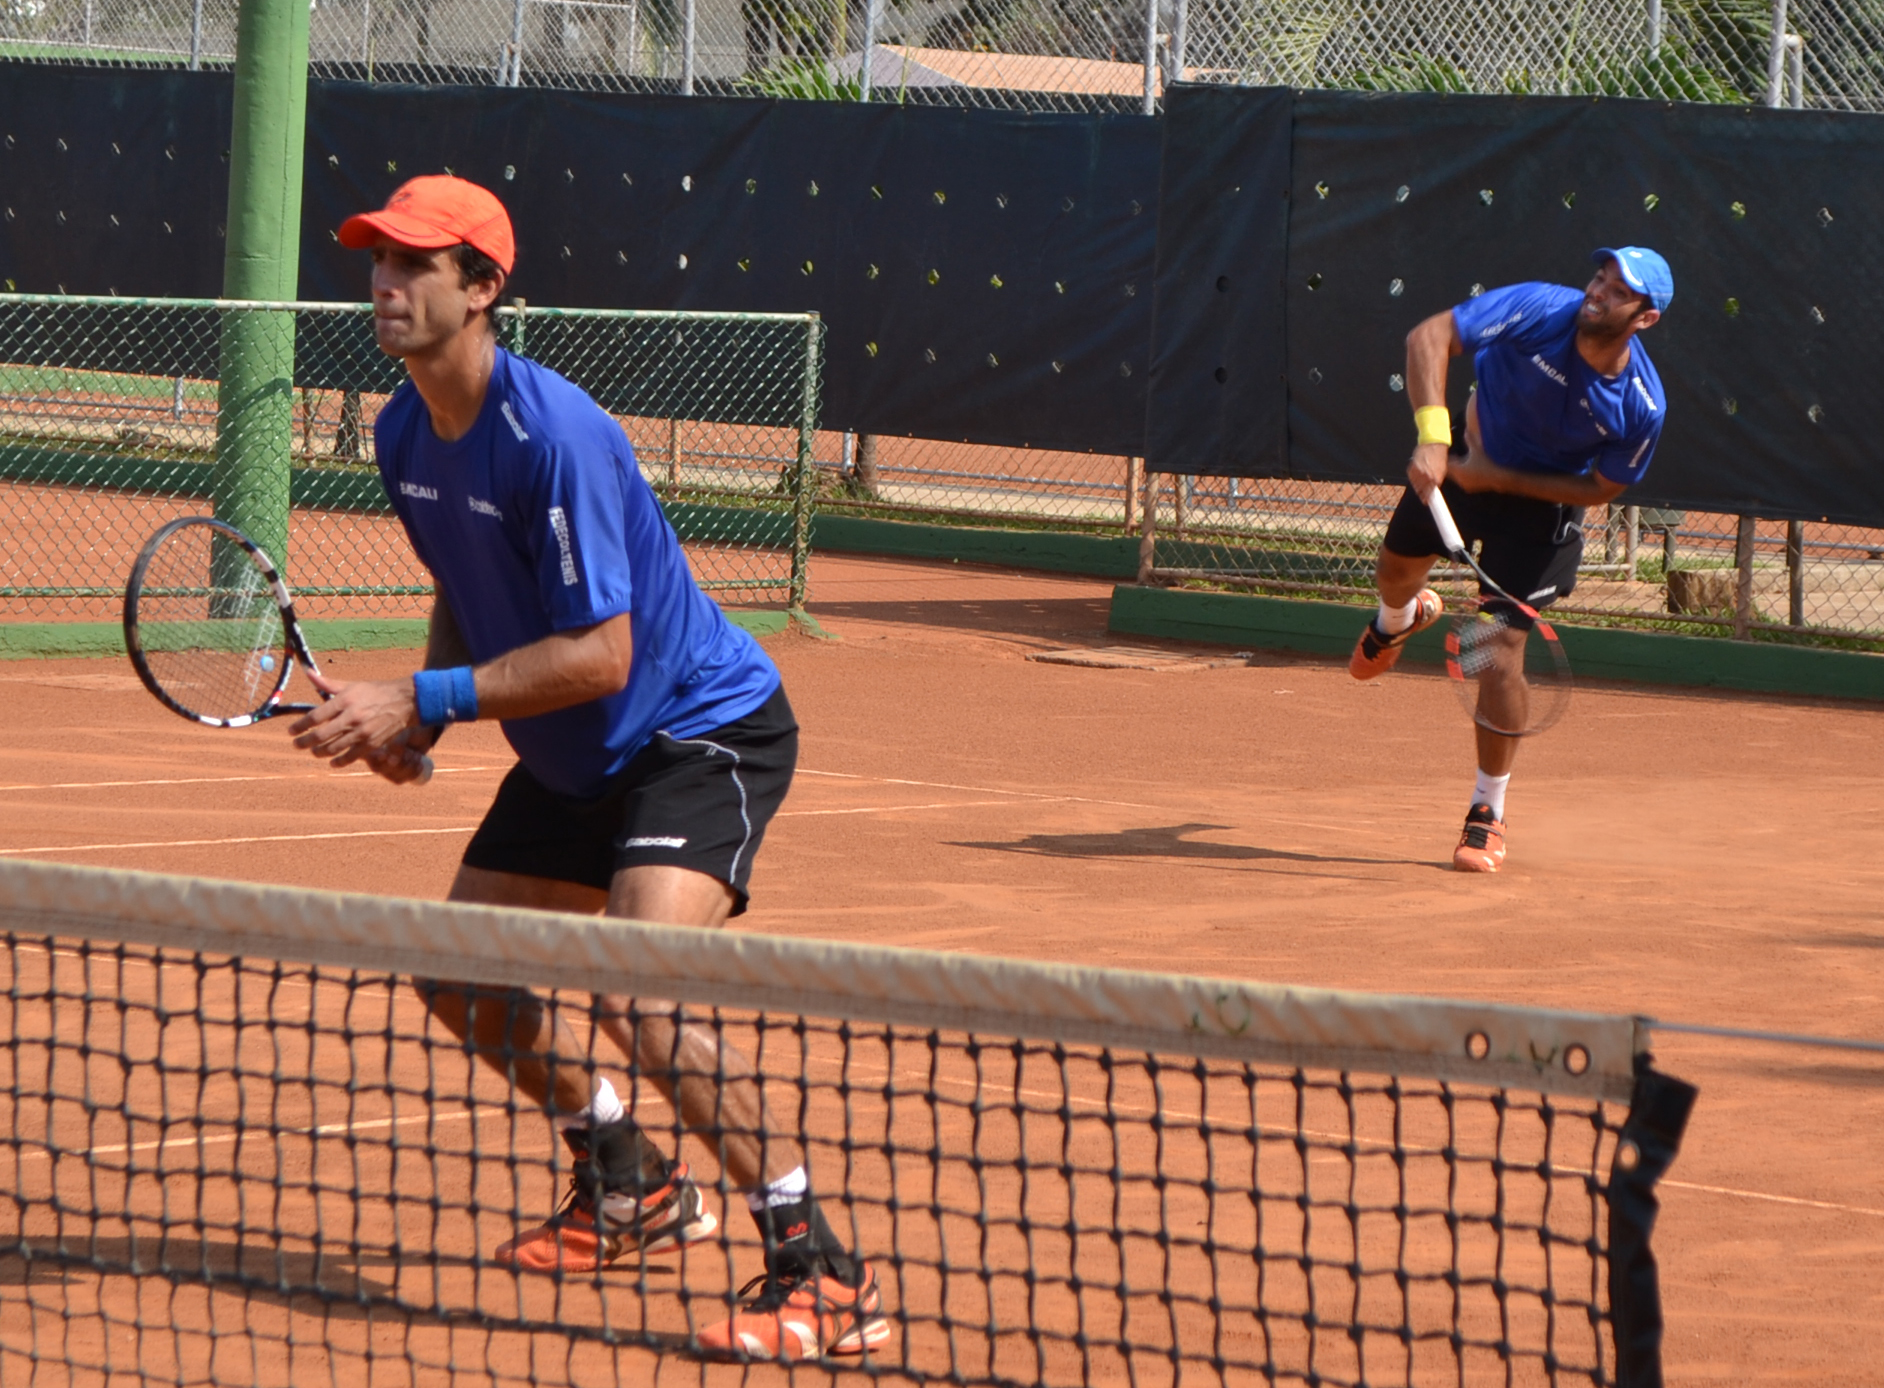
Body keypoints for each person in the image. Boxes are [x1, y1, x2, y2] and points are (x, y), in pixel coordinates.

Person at [289, 175, 887, 1362]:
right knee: (456, 974)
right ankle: (631, 1182)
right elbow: (466, 581)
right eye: (379, 260)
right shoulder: (401, 425)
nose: (387, 284)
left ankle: (825, 1268)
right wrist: (431, 724)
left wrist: (415, 696)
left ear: (485, 288)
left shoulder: (556, 434)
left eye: (418, 264)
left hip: (695, 727)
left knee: (638, 997)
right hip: (574, 752)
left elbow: (604, 653)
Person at [1348, 248, 1672, 873]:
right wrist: (1435, 437)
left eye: (1619, 289)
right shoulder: (1538, 308)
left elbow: (1604, 488)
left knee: (1495, 653)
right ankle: (1400, 619)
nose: (1599, 290)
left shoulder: (1640, 404)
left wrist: (1504, 480)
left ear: (1645, 318)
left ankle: (1486, 813)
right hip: (1463, 460)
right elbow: (1431, 335)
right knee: (1393, 571)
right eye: (1600, 275)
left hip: (1540, 513)